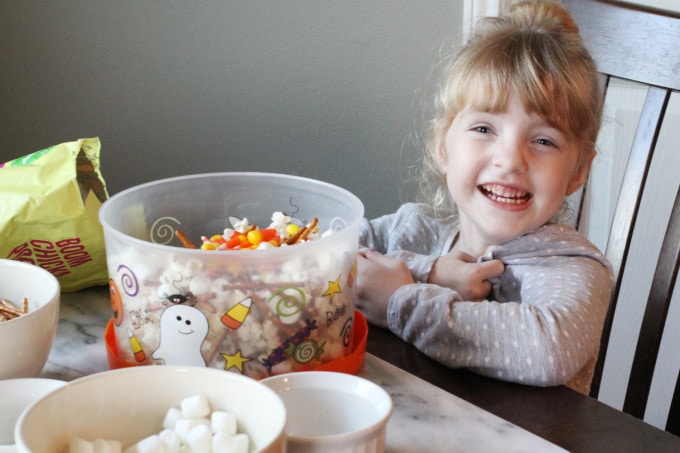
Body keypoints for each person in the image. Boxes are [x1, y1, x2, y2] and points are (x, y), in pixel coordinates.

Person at [356, 0, 612, 395]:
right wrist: (432, 272)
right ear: (443, 146)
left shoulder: (571, 268)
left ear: (579, 170)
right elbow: (315, 254)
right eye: (483, 128)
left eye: (544, 140)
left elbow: (547, 352)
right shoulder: (414, 228)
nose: (510, 160)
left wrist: (400, 299)